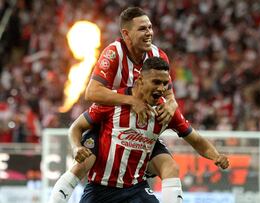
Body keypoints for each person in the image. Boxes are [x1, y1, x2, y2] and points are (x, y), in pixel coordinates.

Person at [50, 7, 182, 203]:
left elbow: (170, 96)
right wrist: (132, 100)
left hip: (142, 131)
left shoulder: (158, 56)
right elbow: (92, 92)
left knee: (170, 167)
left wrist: (172, 105)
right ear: (126, 34)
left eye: (150, 28)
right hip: (110, 122)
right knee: (82, 164)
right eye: (142, 29)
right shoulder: (114, 53)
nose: (149, 33)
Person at [77, 57, 228, 202]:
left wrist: (216, 156)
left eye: (165, 83)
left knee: (171, 167)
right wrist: (75, 147)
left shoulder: (165, 111)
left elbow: (196, 139)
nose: (161, 88)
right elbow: (76, 127)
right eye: (156, 82)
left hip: (135, 188)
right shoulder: (114, 101)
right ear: (140, 80)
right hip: (101, 189)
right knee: (80, 164)